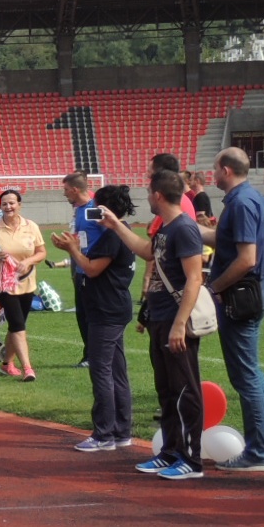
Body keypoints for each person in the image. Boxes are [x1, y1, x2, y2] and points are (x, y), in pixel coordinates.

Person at [101, 170, 205, 480]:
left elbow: (195, 278)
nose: (147, 198)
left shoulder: (184, 229)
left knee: (185, 388)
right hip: (161, 317)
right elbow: (147, 251)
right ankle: (171, 451)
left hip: (175, 320)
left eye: (149, 193)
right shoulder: (167, 228)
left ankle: (191, 459)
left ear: (158, 195)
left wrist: (179, 323)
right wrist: (116, 225)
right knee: (167, 389)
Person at [201, 148, 264, 471]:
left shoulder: (240, 203)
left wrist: (215, 287)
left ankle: (257, 451)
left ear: (225, 170)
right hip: (248, 296)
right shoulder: (250, 199)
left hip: (240, 299)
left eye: (215, 170)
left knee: (245, 376)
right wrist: (194, 230)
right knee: (252, 372)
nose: (213, 175)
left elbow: (246, 258)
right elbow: (229, 243)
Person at [52, 185, 136, 452]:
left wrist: (72, 250)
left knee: (101, 371)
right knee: (116, 371)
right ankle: (121, 430)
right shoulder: (122, 233)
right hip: (113, 307)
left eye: (96, 207)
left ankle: (104, 434)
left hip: (106, 310)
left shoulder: (114, 236)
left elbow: (91, 269)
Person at [0, 189, 46, 381]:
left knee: (15, 325)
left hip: (27, 283)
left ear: (19, 205)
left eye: (12, 203)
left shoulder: (31, 227)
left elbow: (41, 252)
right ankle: (28, 368)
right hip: (3, 284)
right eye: (4, 204)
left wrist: (29, 262)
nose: (8, 207)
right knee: (19, 325)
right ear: (0, 207)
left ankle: (6, 364)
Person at [61, 172, 103, 369]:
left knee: (94, 316)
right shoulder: (78, 210)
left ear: (75, 190)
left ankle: (95, 355)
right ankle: (89, 354)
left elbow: (108, 236)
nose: (64, 194)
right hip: (80, 269)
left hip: (94, 270)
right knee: (83, 315)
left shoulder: (96, 208)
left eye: (66, 190)